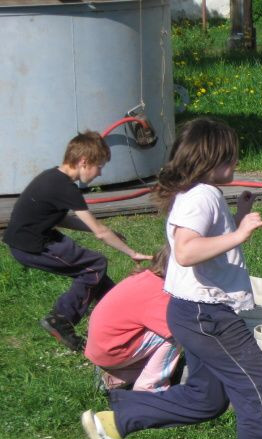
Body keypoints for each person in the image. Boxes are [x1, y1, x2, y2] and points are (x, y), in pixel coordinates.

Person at [80, 118, 262, 439]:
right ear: (211, 158)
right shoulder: (202, 196)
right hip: (208, 315)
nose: (237, 160)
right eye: (231, 154)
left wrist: (236, 218)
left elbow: (201, 246)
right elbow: (186, 251)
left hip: (189, 311)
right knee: (257, 385)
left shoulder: (195, 193)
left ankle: (114, 421)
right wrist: (239, 234)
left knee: (207, 398)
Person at [2, 131, 151, 351]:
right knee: (95, 265)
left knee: (95, 273)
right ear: (84, 161)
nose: (100, 173)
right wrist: (132, 252)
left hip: (35, 239)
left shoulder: (54, 177)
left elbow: (61, 218)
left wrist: (103, 230)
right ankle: (61, 319)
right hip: (32, 246)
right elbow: (100, 232)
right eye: (99, 166)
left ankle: (119, 310)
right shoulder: (65, 187)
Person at [84, 245, 181, 392]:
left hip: (102, 347)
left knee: (162, 336)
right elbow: (180, 329)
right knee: (178, 331)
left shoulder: (145, 279)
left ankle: (114, 378)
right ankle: (149, 389)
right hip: (112, 351)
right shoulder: (159, 292)